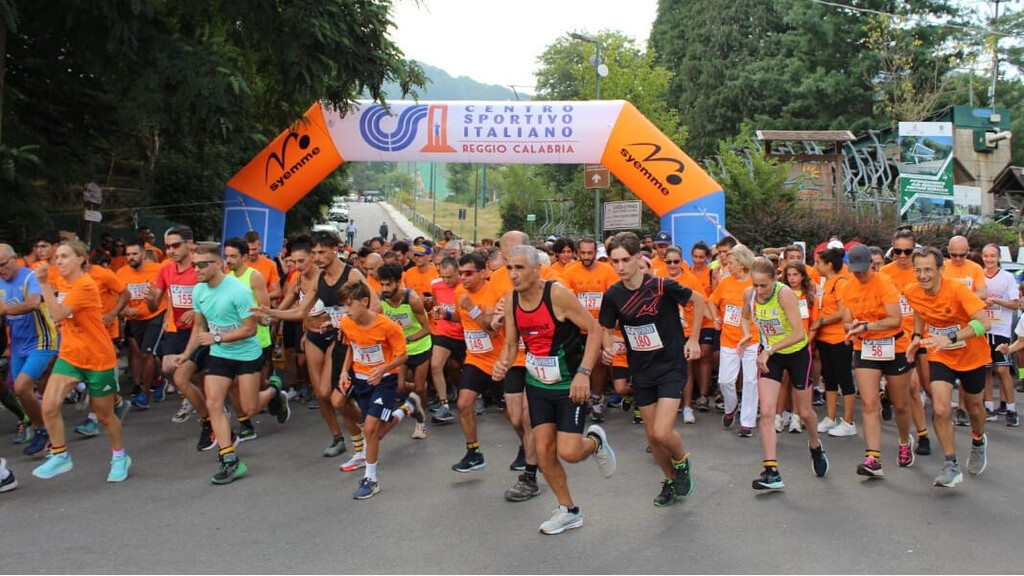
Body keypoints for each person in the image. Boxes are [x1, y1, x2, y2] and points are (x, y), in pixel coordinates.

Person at [493, 245, 615, 533]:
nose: (513, 274)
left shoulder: (557, 295)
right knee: (544, 451)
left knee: (569, 452)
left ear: (537, 270)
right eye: (509, 268)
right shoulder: (511, 301)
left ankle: (595, 442)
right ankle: (568, 510)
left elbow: (594, 330)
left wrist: (584, 373)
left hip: (569, 384)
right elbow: (511, 344)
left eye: (520, 268)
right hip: (537, 384)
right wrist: (502, 364)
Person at [599, 232, 704, 506]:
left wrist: (693, 339)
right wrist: (608, 347)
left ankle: (681, 462)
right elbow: (606, 328)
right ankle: (670, 480)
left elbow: (699, 300)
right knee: (652, 436)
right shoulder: (613, 295)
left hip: (670, 365)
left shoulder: (661, 286)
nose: (620, 267)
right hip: (642, 370)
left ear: (638, 258)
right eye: (614, 261)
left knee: (661, 432)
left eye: (625, 260)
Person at [172, 243, 286, 485]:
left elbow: (250, 329)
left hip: (246, 354)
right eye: (193, 265)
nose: (196, 269)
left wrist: (217, 337)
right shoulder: (199, 291)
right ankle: (229, 459)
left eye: (201, 265)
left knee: (249, 409)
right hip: (220, 354)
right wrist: (187, 353)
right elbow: (199, 327)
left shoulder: (238, 291)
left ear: (217, 264)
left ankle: (274, 390)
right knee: (214, 403)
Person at [32, 240, 132, 483]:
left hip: (98, 358)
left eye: (65, 256)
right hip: (70, 355)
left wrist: (43, 284)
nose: (59, 261)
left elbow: (58, 312)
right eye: (57, 257)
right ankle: (60, 454)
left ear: (80, 259)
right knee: (48, 406)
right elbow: (62, 313)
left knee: (105, 416)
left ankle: (120, 456)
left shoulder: (86, 284)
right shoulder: (62, 281)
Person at [903, 246, 991, 488]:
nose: (923, 276)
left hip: (972, 356)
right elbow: (920, 311)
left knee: (975, 409)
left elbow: (984, 324)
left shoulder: (957, 290)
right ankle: (951, 464)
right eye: (918, 270)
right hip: (941, 355)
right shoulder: (912, 291)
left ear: (941, 270)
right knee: (940, 409)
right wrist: (916, 336)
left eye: (928, 270)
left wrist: (951, 338)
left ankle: (978, 440)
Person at [739, 257, 828, 490]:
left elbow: (799, 333)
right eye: (755, 285)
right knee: (767, 412)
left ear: (774, 280)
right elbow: (744, 317)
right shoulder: (749, 294)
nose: (759, 290)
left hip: (796, 353)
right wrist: (747, 335)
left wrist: (770, 349)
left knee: (805, 411)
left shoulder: (784, 294)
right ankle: (772, 471)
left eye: (764, 285)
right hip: (771, 355)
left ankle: (815, 445)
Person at [337, 281, 423, 499]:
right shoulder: (346, 323)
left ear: (364, 302)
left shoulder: (388, 327)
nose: (346, 310)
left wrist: (383, 368)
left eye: (349, 304)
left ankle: (370, 479)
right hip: (361, 380)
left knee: (370, 429)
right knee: (377, 431)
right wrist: (344, 372)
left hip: (384, 381)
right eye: (343, 305)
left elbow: (402, 356)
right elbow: (351, 347)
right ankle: (408, 408)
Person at [840, 245, 915, 477]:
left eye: (863, 269)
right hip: (866, 348)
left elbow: (895, 320)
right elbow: (846, 321)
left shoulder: (884, 283)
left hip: (894, 346)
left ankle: (904, 441)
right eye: (855, 270)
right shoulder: (848, 287)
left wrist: (867, 326)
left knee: (900, 404)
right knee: (870, 403)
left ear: (872, 265)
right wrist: (851, 327)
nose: (859, 274)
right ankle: (873, 458)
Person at [0, 243, 59, 456]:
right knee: (21, 391)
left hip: (41, 340)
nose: (0, 270)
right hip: (17, 343)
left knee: (22, 387)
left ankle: (47, 432)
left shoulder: (30, 277)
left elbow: (34, 303)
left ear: (14, 258)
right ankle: (43, 428)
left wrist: (5, 310)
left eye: (3, 264)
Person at [449, 252, 505, 474]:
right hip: (475, 358)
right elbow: (459, 317)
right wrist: (445, 315)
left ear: (483, 272)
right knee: (464, 403)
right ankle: (474, 453)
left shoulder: (493, 293)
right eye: (461, 273)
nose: (463, 278)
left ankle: (527, 449)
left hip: (498, 361)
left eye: (468, 273)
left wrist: (472, 308)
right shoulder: (460, 292)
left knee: (513, 414)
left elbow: (492, 330)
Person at [378, 262, 432, 439]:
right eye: (382, 284)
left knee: (418, 387)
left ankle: (421, 422)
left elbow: (427, 329)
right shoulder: (381, 299)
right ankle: (418, 393)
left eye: (388, 284)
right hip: (400, 350)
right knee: (400, 387)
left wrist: (407, 338)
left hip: (420, 346)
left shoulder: (412, 299)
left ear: (398, 282)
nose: (385, 289)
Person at [710, 245, 757, 436]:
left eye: (731, 263)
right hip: (729, 338)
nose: (727, 266)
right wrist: (715, 318)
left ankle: (747, 423)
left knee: (751, 381)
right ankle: (731, 407)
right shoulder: (725, 282)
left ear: (742, 263)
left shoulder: (755, 283)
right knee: (725, 381)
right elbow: (711, 301)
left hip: (752, 338)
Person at [814, 247, 857, 437]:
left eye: (819, 263)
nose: (816, 266)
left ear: (829, 264)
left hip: (839, 337)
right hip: (824, 338)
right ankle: (830, 417)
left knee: (844, 377)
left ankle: (848, 421)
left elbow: (843, 311)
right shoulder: (825, 283)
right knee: (829, 378)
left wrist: (822, 321)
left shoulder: (841, 282)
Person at [979, 244, 1017, 426]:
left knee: (1002, 369)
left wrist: (996, 300)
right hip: (983, 329)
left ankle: (1011, 408)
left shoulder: (1007, 277)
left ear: (999, 257)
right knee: (986, 369)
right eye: (986, 256)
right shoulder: (979, 276)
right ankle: (989, 407)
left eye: (993, 256)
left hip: (1001, 330)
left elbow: (1015, 304)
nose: (989, 259)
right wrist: (983, 303)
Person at [427, 257, 465, 425]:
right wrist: (435, 310)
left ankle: (474, 396)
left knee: (462, 369)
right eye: (443, 277)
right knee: (436, 365)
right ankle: (444, 405)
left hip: (465, 334)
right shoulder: (436, 285)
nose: (446, 280)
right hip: (444, 332)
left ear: (458, 271)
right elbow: (437, 304)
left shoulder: (465, 286)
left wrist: (447, 314)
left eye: (449, 277)